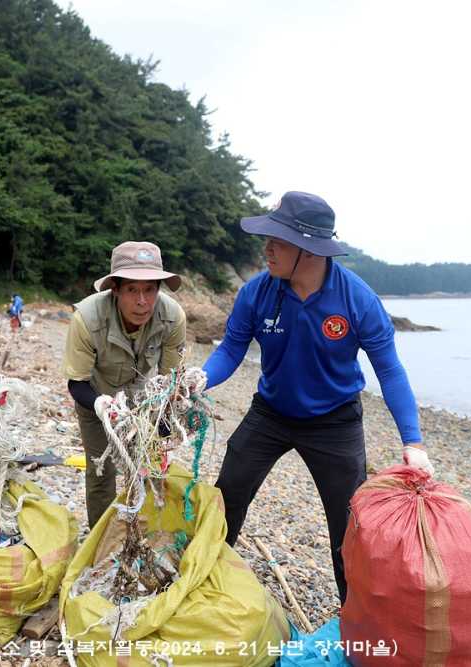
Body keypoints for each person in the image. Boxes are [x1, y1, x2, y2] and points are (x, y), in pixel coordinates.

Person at [202, 191, 432, 605]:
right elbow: (231, 349)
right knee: (227, 496)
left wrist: (412, 442)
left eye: (277, 240)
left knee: (349, 529)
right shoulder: (257, 292)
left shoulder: (357, 300)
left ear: (308, 250)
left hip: (335, 422)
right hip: (270, 413)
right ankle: (205, 584)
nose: (266, 248)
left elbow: (390, 371)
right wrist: (197, 379)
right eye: (267, 238)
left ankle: (356, 614)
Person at [61, 241, 188, 527]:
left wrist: (163, 422)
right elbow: (76, 382)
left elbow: (171, 382)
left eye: (150, 289)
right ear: (115, 289)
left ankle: (147, 533)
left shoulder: (172, 317)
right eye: (132, 289)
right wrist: (100, 404)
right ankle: (100, 538)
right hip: (95, 397)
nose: (142, 301)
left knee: (152, 470)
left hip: (144, 400)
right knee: (100, 472)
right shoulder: (87, 318)